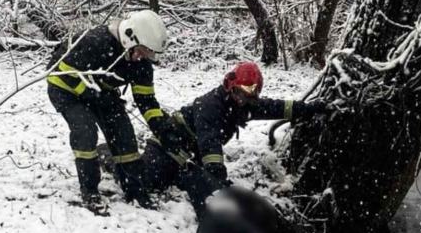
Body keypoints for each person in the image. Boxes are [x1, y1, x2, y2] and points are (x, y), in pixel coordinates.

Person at [139, 61, 329, 217]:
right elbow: (210, 144)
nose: (242, 99)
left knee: (191, 182)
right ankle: (111, 157)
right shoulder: (210, 106)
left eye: (248, 96)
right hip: (164, 149)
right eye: (239, 93)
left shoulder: (245, 105)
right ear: (231, 86)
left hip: (189, 158)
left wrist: (311, 109)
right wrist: (218, 178)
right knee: (146, 181)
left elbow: (276, 107)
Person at [46, 10, 184, 214]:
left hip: (102, 93)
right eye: (143, 50)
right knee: (85, 131)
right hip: (66, 91)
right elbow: (59, 75)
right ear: (130, 38)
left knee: (124, 135)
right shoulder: (93, 42)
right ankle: (90, 190)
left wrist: (162, 128)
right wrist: (92, 94)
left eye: (148, 53)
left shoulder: (141, 65)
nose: (143, 57)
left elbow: (146, 101)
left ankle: (135, 189)